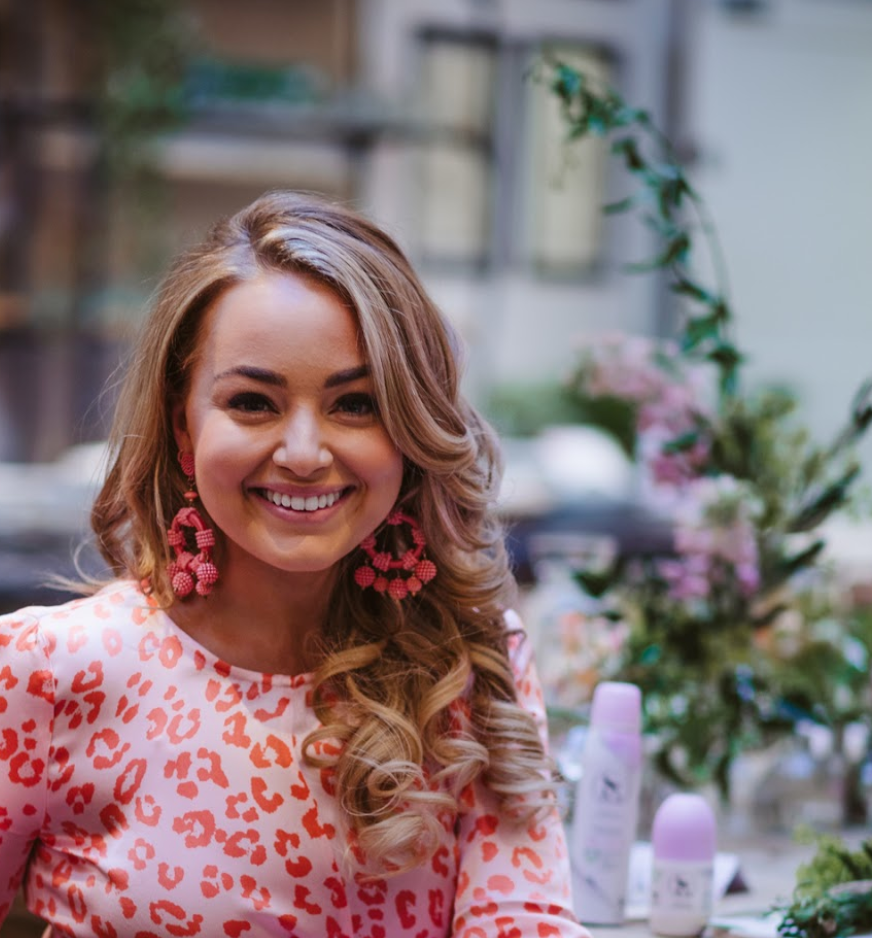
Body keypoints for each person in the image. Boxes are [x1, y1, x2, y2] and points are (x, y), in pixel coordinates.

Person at [0, 191, 588, 937]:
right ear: (185, 427)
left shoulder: (472, 662)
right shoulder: (48, 671)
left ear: (411, 432)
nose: (305, 454)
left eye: (356, 405)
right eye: (252, 402)